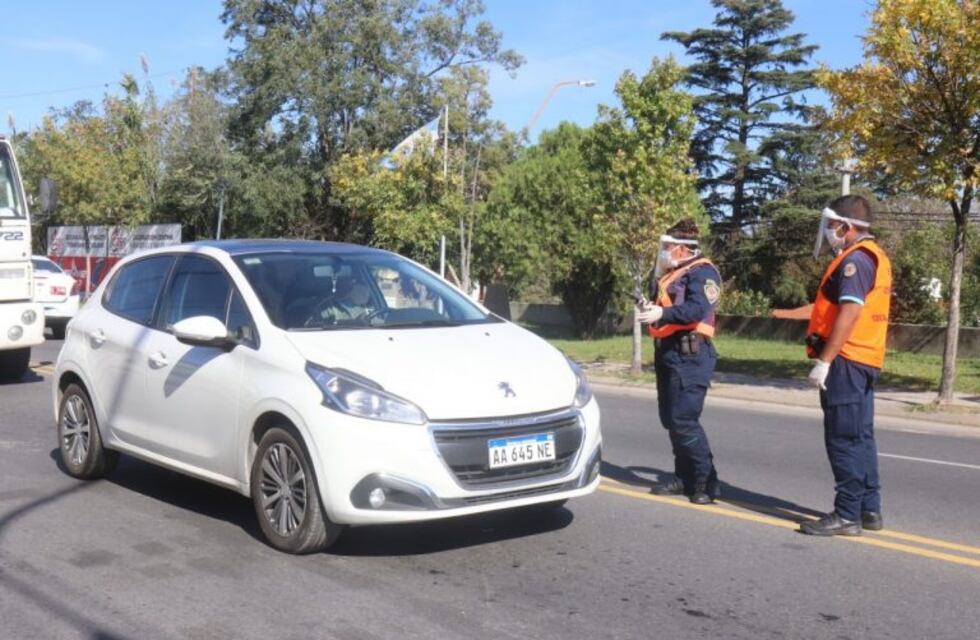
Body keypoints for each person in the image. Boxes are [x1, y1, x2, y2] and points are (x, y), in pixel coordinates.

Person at [774, 195, 892, 536]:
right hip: (864, 359)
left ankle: (847, 514)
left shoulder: (856, 261)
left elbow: (850, 311)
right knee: (861, 437)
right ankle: (869, 510)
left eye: (831, 225)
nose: (828, 232)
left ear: (847, 226)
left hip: (847, 360)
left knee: (844, 439)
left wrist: (825, 361)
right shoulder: (874, 256)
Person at [635, 218, 722, 505]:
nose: (665, 251)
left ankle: (706, 481)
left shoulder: (703, 272)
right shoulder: (673, 273)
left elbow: (697, 308)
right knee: (671, 419)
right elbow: (669, 305)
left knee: (684, 420)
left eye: (669, 247)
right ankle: (683, 476)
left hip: (692, 354)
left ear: (685, 249)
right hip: (669, 351)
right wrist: (651, 308)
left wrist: (662, 315)